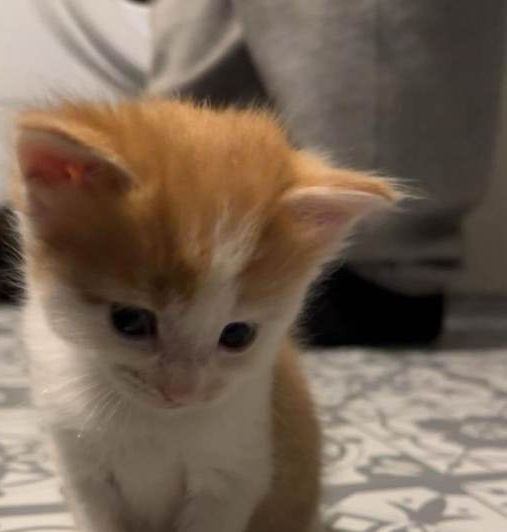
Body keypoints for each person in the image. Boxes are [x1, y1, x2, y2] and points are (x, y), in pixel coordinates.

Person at [148, 0, 506, 345]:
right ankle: (186, 248)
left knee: (353, 21)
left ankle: (384, 273)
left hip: (364, 286)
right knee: (208, 38)